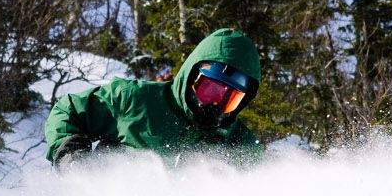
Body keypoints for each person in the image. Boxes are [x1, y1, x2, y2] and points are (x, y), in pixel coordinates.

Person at [43, 26, 265, 166]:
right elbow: (68, 109)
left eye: (230, 99)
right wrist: (69, 151)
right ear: (192, 77)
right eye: (209, 90)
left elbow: (270, 181)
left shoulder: (237, 141)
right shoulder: (136, 100)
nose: (216, 104)